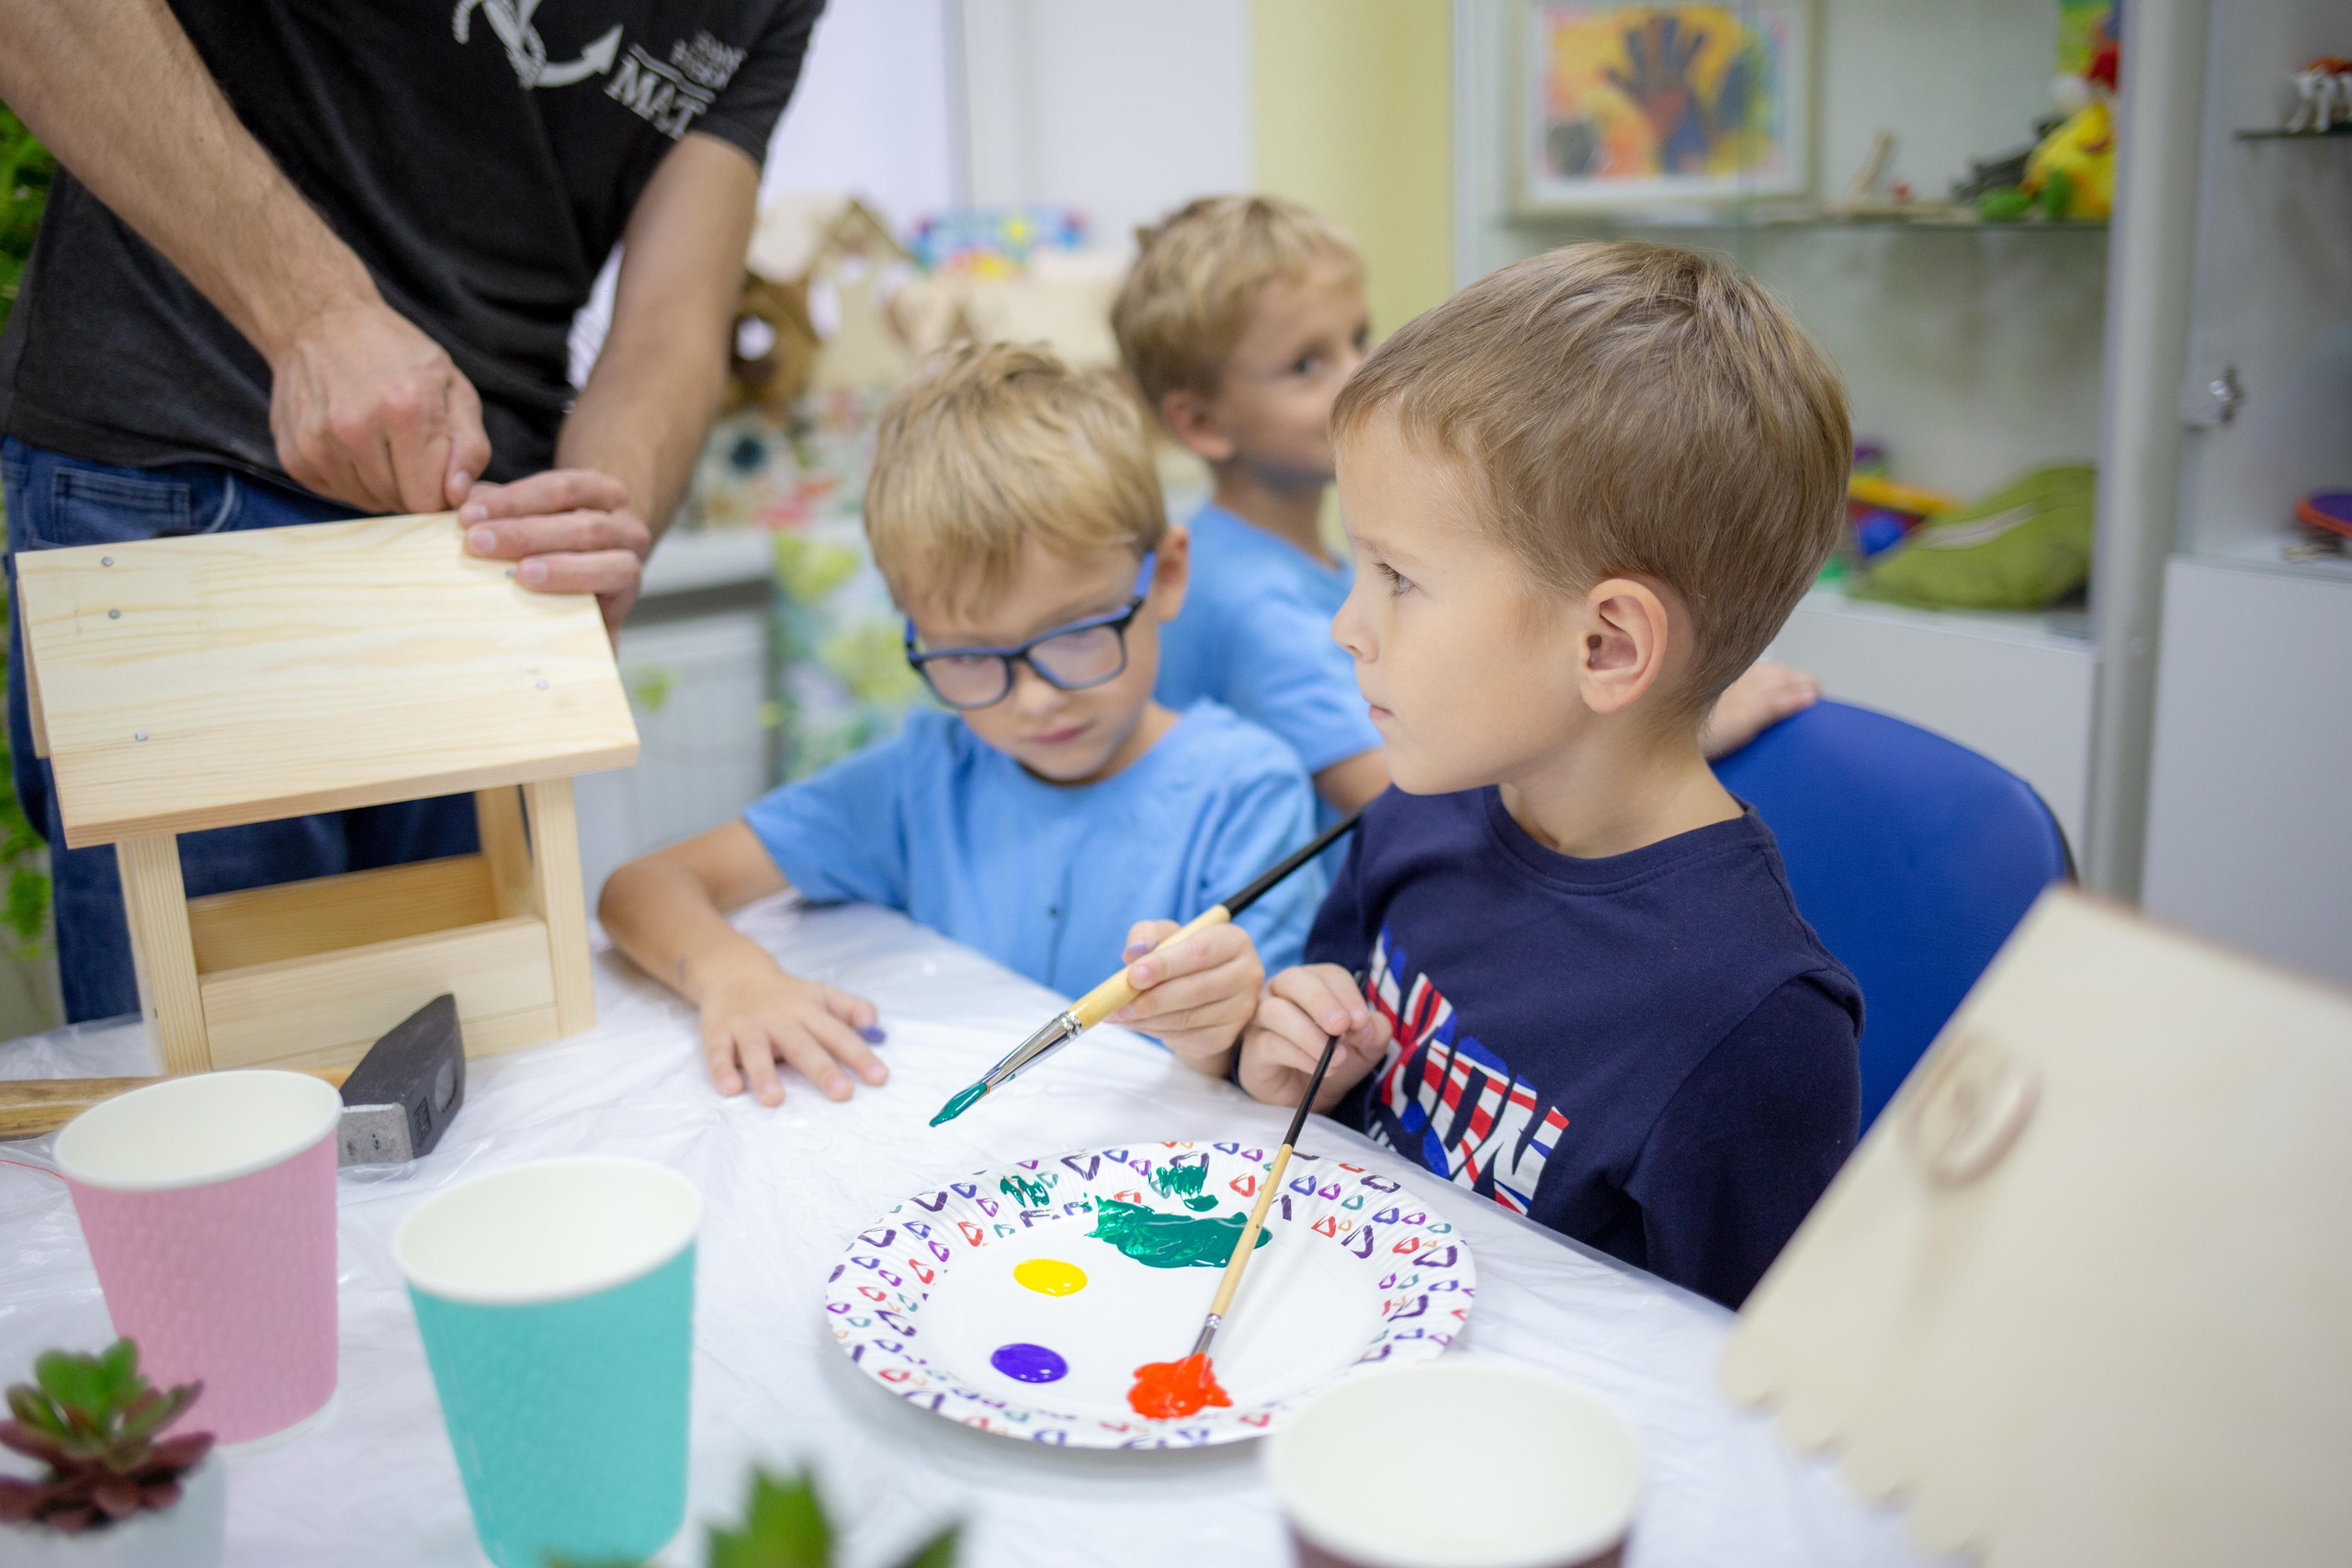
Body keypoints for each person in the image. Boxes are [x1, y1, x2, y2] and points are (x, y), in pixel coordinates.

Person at [0, 0, 821, 1021]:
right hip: (184, 461)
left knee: (477, 1052)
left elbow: (672, 325)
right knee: (220, 1096)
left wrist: (598, 516)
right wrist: (310, 310)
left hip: (479, 548)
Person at [1155, 241, 1863, 1311]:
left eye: (1399, 577)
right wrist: (1284, 1051)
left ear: (1606, 647)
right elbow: (1325, 1081)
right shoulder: (1420, 811)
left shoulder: (1755, 1029)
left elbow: (1732, 1399)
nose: (1347, 627)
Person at [598, 343, 1317, 1107]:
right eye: (971, 657)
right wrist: (735, 976)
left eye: (1076, 633)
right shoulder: (922, 781)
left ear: (1167, 574)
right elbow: (642, 886)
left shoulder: (1248, 794)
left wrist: (1220, 1029)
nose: (1035, 700)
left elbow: (1263, 1076)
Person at [1111, 195, 1822, 819]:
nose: (1358, 371)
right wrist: (1669, 734)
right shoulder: (1250, 604)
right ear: (1201, 423)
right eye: (1305, 365)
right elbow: (1401, 803)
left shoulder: (1249, 551)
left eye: (1358, 337)